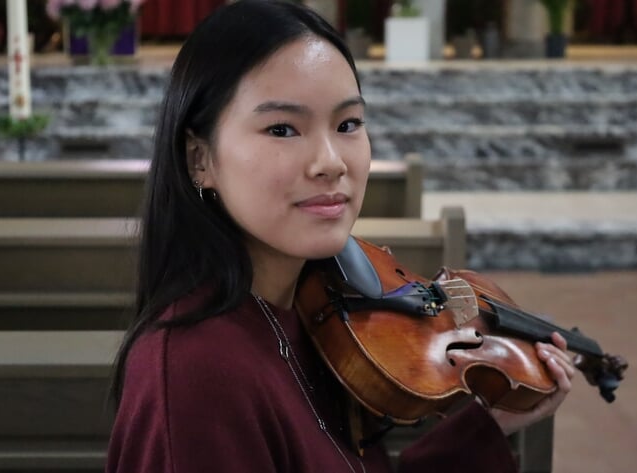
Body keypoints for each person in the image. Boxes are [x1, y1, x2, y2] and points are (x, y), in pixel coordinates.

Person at [105, 1, 574, 472]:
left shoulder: (312, 310)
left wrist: (483, 428)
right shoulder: (195, 378)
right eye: (283, 129)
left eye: (348, 124)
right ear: (199, 160)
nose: (331, 161)